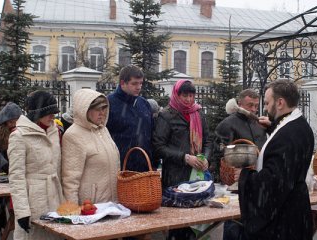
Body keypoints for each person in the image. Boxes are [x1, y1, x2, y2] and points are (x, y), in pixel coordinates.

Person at [224, 80, 314, 240]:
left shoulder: (288, 136)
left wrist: (244, 176)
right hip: (295, 212)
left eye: (266, 103)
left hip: (284, 221)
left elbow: (272, 182)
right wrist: (273, 128)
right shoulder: (299, 125)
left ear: (280, 102)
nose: (264, 108)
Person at [153, 79, 211, 239]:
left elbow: (208, 141)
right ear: (177, 95)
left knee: (195, 224)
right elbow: (158, 147)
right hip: (175, 180)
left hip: (197, 177)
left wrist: (205, 158)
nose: (189, 99)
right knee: (177, 226)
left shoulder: (198, 114)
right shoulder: (166, 115)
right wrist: (184, 157)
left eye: (191, 95)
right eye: (185, 95)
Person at [8, 90, 63, 240]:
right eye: (49, 112)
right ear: (36, 113)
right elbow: (16, 177)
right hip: (34, 202)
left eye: (54, 112)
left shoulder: (54, 132)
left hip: (55, 200)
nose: (53, 116)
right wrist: (22, 212)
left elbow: (58, 168)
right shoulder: (18, 136)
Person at [62, 89, 120, 204]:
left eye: (104, 108)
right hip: (90, 207)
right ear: (85, 110)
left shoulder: (103, 130)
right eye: (97, 109)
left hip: (112, 203)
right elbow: (70, 180)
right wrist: (73, 211)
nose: (102, 113)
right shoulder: (73, 135)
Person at [213, 89, 267, 185]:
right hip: (235, 180)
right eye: (250, 105)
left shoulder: (260, 124)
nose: (254, 109)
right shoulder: (227, 124)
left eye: (256, 106)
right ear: (239, 104)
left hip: (258, 177)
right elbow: (219, 154)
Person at [107, 65, 155, 172]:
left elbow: (152, 134)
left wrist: (153, 163)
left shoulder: (144, 103)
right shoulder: (109, 104)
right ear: (122, 83)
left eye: (141, 83)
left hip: (145, 167)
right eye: (134, 83)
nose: (138, 87)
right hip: (119, 168)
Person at [0, 102, 22, 239]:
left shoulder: (11, 131)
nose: (13, 124)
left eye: (15, 121)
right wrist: (7, 166)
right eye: (11, 120)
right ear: (5, 118)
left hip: (1, 173)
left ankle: (0, 234)